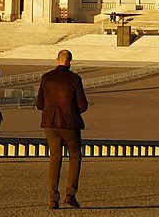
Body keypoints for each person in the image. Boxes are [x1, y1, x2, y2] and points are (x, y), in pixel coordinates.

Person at [36, 49, 89, 210]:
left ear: (56, 60)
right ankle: (70, 194)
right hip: (69, 124)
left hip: (50, 124)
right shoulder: (74, 79)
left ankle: (53, 198)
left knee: (55, 158)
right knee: (75, 156)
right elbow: (82, 105)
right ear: (70, 62)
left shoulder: (46, 78)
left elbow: (39, 104)